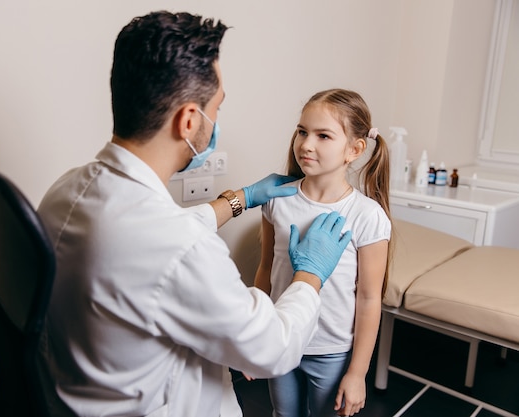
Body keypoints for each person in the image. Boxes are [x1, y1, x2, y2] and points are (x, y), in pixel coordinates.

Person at [36, 11, 352, 417]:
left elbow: (149, 237)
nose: (216, 120)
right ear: (189, 120)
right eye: (216, 108)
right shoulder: (180, 248)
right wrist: (310, 273)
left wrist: (238, 200)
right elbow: (273, 349)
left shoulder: (67, 189)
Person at [253, 89, 392, 417]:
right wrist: (257, 335)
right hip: (282, 337)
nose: (306, 144)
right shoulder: (276, 198)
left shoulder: (366, 216)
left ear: (354, 150)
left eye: (323, 135)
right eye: (302, 131)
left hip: (329, 350)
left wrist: (357, 373)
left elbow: (370, 298)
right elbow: (265, 270)